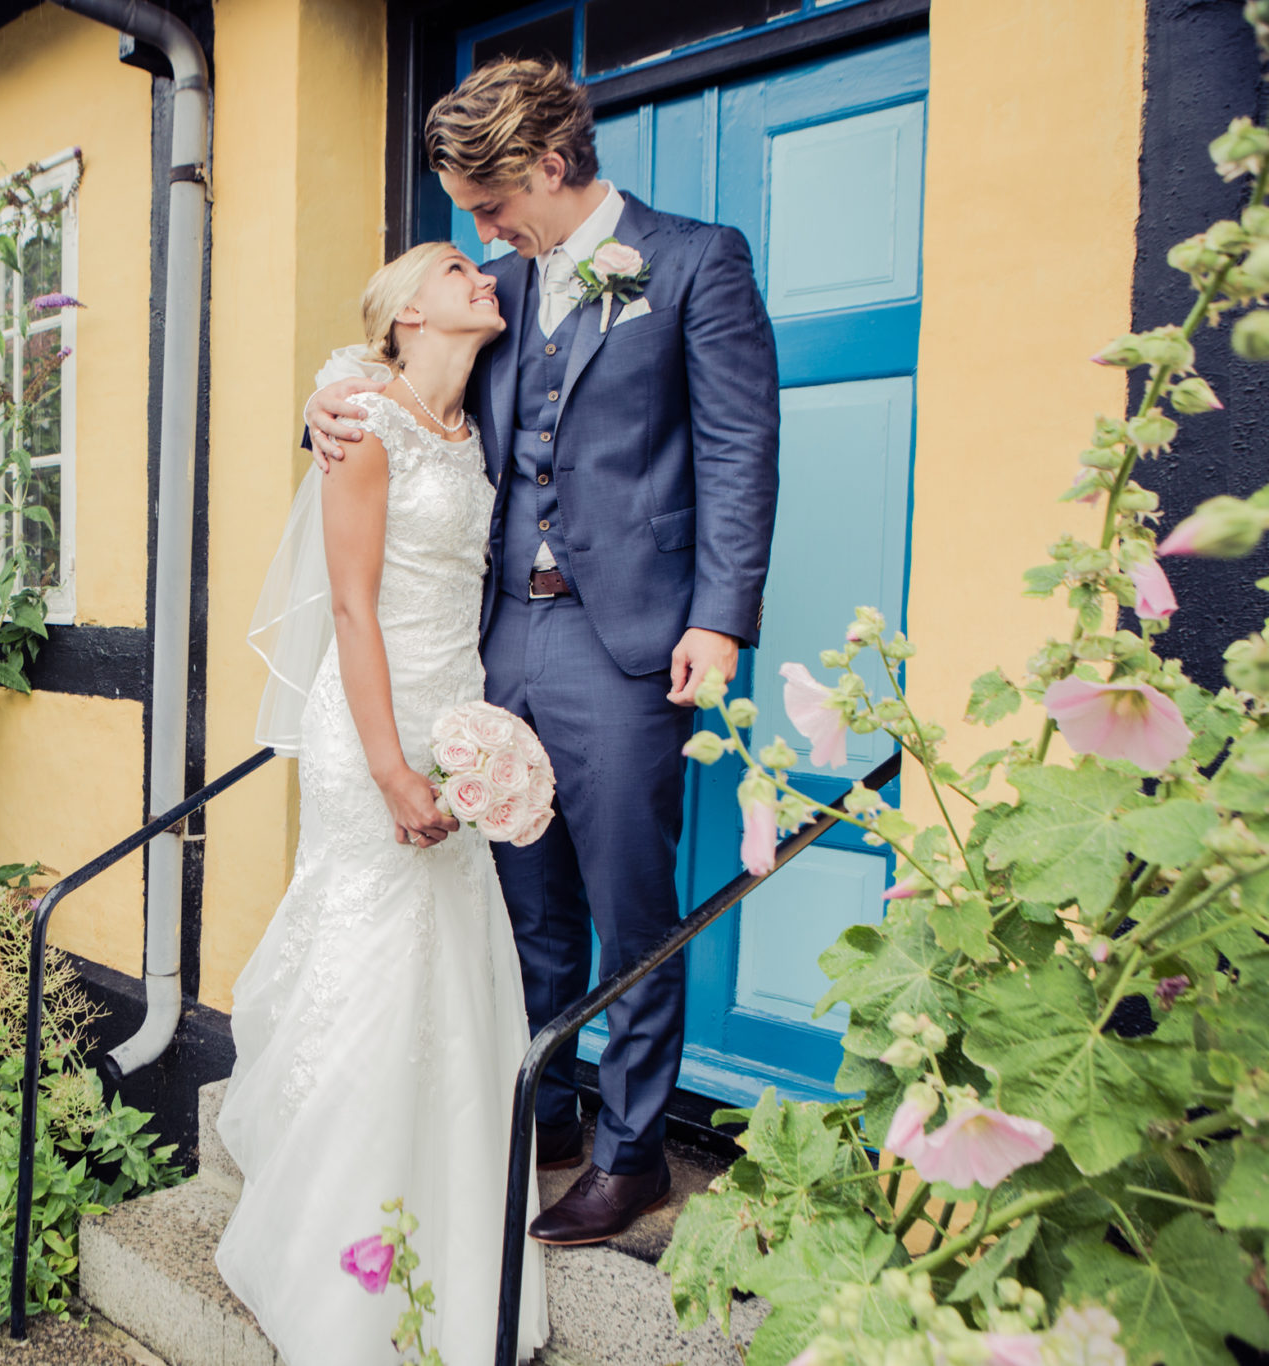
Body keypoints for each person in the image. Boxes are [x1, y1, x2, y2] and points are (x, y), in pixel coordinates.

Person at [304, 57, 780, 1246]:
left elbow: (736, 448)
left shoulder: (694, 262)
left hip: (623, 643)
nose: (477, 226)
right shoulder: (496, 290)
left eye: (487, 201)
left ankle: (631, 1155)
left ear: (554, 166)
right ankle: (552, 1110)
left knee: (629, 904)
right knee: (521, 900)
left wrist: (718, 616)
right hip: (493, 640)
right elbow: (402, 400)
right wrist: (312, 411)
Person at [217, 240, 549, 1365]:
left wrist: (461, 747)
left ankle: (444, 1215)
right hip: (373, 723)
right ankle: (331, 1262)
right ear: (407, 311)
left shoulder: (471, 417)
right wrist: (392, 768)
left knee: (447, 962)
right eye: (455, 266)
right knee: (373, 951)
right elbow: (351, 612)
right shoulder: (363, 427)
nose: (483, 277)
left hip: (449, 710)